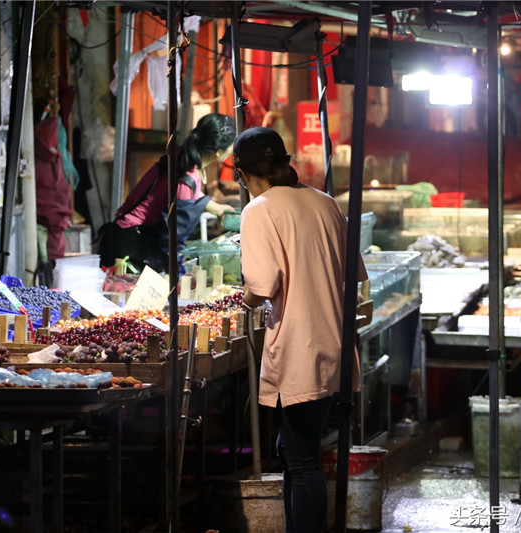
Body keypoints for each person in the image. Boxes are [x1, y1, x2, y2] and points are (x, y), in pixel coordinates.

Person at [234, 126, 367, 533]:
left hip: (299, 347)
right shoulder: (325, 203)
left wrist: (239, 300)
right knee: (294, 448)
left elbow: (262, 284)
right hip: (335, 345)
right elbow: (353, 271)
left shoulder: (259, 210)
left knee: (302, 457)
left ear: (242, 173)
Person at [100, 113, 236, 272]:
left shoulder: (183, 155)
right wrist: (177, 274)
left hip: (130, 232)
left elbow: (181, 191)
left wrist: (214, 206)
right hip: (132, 244)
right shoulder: (187, 178)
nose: (232, 152)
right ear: (218, 152)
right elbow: (172, 239)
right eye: (231, 148)